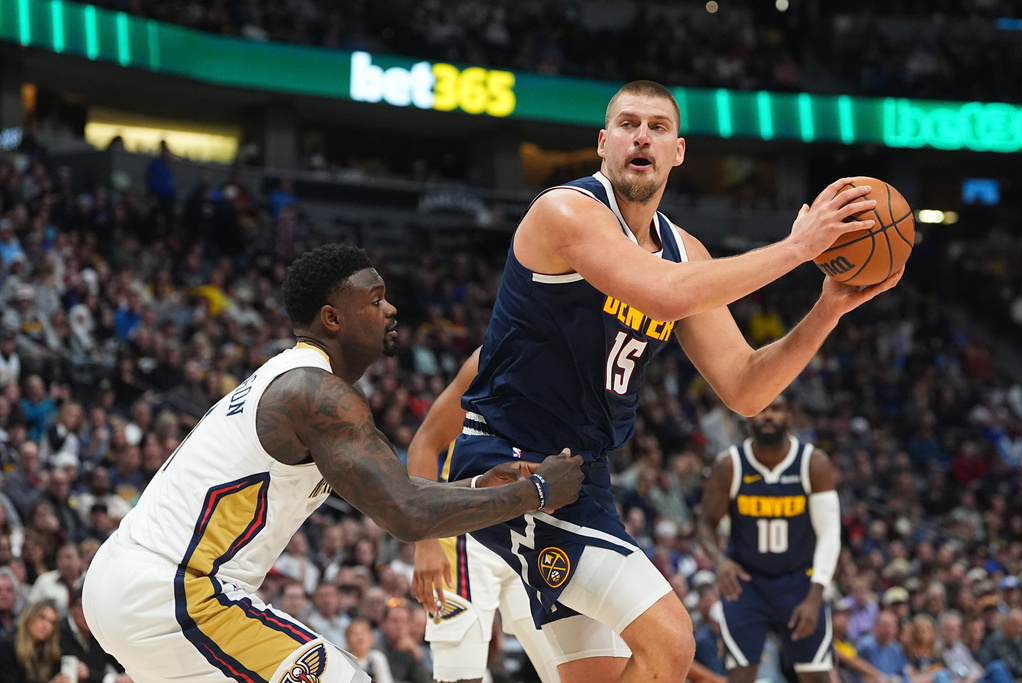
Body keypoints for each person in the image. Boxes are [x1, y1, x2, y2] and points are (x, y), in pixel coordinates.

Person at [447, 79, 898, 683]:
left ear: (678, 151)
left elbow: (746, 387)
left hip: (583, 476)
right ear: (603, 143)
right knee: (671, 643)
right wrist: (796, 247)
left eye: (658, 127)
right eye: (629, 125)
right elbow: (661, 292)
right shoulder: (565, 211)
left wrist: (828, 309)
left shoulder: (687, 252)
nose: (642, 136)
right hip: (514, 464)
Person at [81, 243, 584, 683]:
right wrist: (535, 494)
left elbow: (392, 488)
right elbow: (406, 512)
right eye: (375, 299)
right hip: (174, 590)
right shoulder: (316, 393)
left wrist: (477, 486)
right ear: (332, 319)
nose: (390, 309)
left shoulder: (302, 381)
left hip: (131, 583)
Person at [407, 348, 561, 683]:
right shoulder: (492, 355)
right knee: (461, 677)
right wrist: (426, 542)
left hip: (532, 533)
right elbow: (424, 444)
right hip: (465, 533)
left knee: (570, 666)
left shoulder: (588, 364)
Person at [695, 394, 840, 683]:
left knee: (817, 676)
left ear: (789, 417)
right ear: (748, 416)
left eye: (776, 409)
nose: (768, 416)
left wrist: (816, 594)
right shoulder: (730, 466)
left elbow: (830, 534)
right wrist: (720, 561)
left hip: (799, 581)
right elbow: (705, 523)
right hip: (747, 584)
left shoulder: (813, 463)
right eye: (761, 410)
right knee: (740, 676)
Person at [0, 599, 78, 683]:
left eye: (52, 622)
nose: (46, 626)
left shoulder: (51, 652)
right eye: (42, 618)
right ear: (29, 617)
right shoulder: (7, 647)